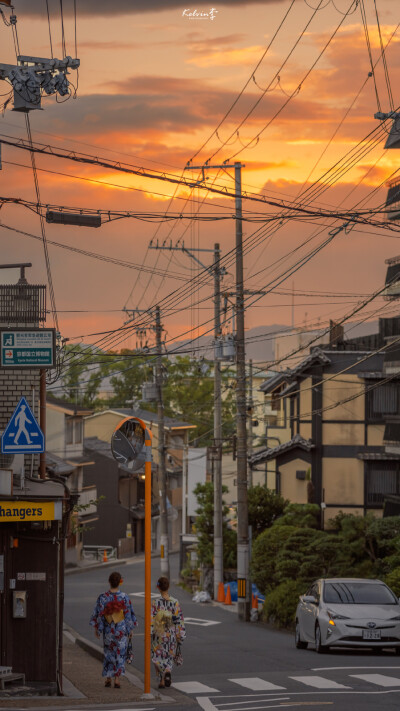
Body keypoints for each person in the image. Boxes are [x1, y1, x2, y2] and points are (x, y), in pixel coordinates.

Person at [90, 571, 137, 688]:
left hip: (108, 630)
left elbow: (100, 614)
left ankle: (108, 678)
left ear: (109, 582)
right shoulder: (124, 597)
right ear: (120, 582)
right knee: (120, 654)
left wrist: (98, 628)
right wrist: (130, 629)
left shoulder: (103, 597)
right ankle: (117, 679)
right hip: (121, 629)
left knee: (109, 653)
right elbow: (128, 615)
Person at [151, 576, 186, 688]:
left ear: (158, 588)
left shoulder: (156, 603)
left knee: (158, 656)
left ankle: (161, 680)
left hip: (159, 634)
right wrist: (180, 635)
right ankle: (167, 672)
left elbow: (152, 619)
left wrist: (150, 632)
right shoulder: (175, 602)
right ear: (168, 587)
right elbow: (179, 620)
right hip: (171, 634)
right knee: (169, 655)